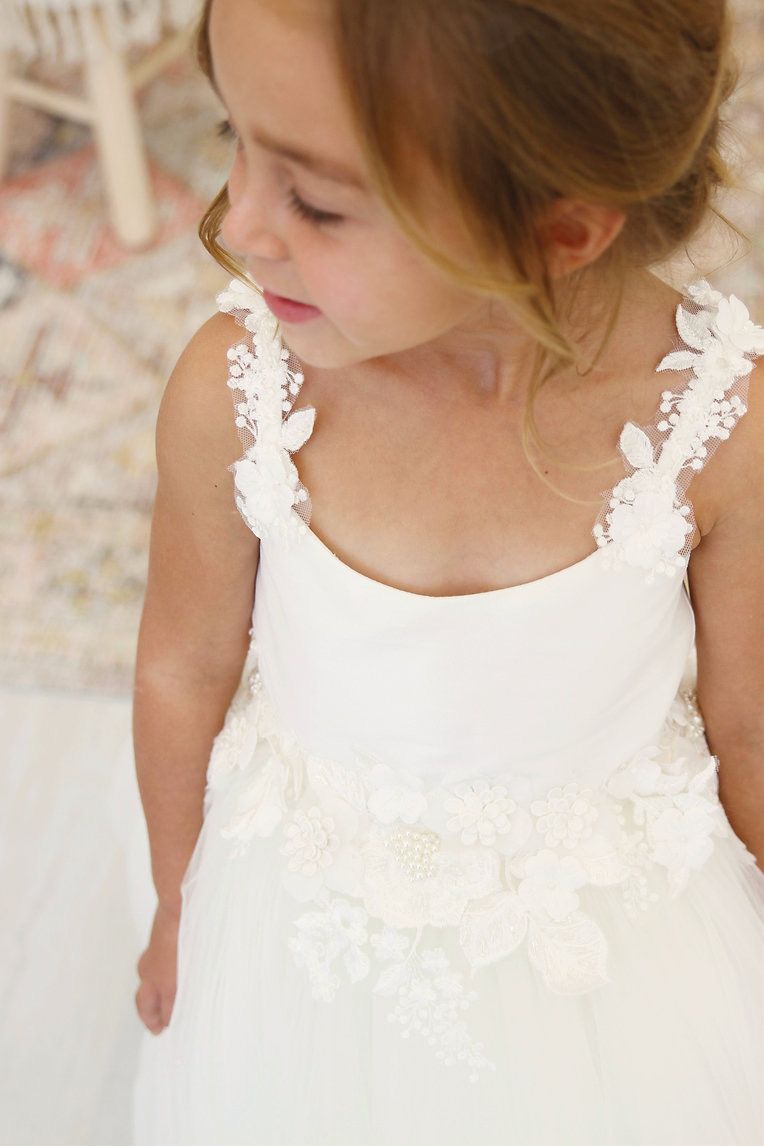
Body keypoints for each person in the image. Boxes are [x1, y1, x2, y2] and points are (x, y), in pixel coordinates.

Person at [131, 0, 764, 1142]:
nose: (241, 225)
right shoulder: (238, 393)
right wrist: (180, 904)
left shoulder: (714, 422)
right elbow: (181, 669)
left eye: (317, 200)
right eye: (237, 134)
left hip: (613, 952)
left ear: (559, 231)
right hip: (305, 929)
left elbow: (750, 726)